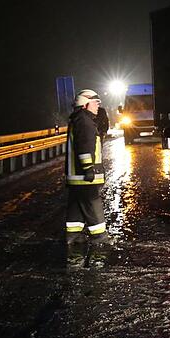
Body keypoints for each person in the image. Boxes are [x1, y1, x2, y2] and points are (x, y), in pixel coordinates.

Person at [65, 89, 108, 244]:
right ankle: (100, 237)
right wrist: (88, 168)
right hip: (84, 176)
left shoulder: (78, 119)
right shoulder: (85, 121)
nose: (98, 106)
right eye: (95, 102)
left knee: (76, 205)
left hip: (76, 176)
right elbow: (84, 147)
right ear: (85, 104)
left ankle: (73, 235)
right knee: (92, 203)